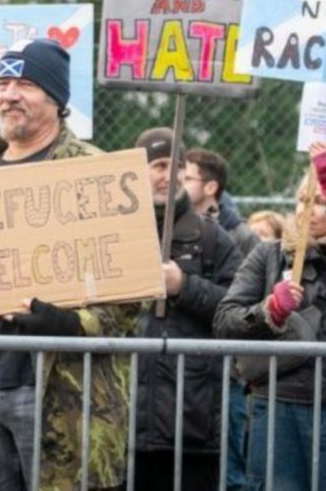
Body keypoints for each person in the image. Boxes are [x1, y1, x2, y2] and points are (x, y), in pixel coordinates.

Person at [0, 38, 139, 491]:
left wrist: (71, 323)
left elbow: (130, 295)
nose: (8, 95)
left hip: (61, 391)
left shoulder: (95, 174)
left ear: (56, 98)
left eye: (24, 84)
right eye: (2, 85)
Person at [216, 142, 326, 491]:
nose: (309, 210)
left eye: (322, 201)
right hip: (278, 401)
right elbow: (225, 319)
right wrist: (268, 311)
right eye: (303, 200)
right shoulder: (268, 255)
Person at [134, 127, 241, 491]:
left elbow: (238, 311)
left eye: (176, 166)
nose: (168, 175)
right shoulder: (116, 235)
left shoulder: (212, 239)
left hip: (190, 417)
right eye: (157, 165)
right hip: (123, 417)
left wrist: (184, 286)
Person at [184, 146, 259, 260]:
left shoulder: (241, 237)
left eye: (187, 179)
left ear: (210, 188)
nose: (177, 183)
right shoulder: (171, 228)